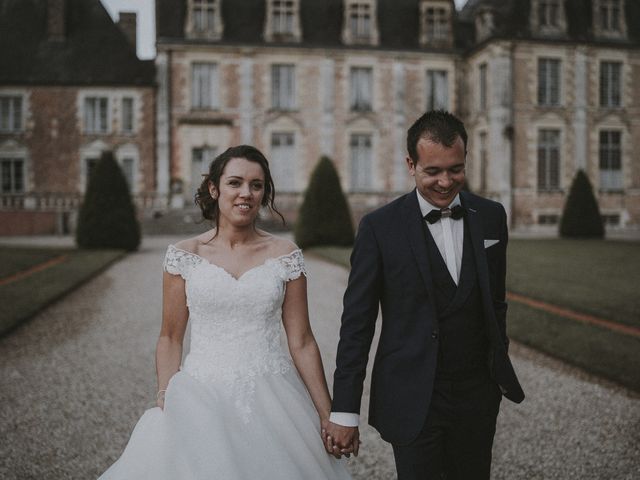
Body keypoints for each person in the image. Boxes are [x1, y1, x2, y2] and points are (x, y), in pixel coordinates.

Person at [100, 145, 351, 479]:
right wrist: (165, 395)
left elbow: (302, 341)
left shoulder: (286, 255)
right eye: (235, 183)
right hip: (201, 391)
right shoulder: (184, 256)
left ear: (264, 193)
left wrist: (327, 413)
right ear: (214, 189)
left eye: (256, 185)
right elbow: (170, 337)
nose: (246, 193)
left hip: (273, 396)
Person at [323, 110, 525, 479]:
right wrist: (344, 411)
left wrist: (495, 371)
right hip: (412, 394)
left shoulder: (491, 216)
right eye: (433, 171)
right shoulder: (378, 228)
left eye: (456, 169)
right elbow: (357, 324)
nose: (446, 182)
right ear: (410, 164)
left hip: (476, 395)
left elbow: (496, 303)